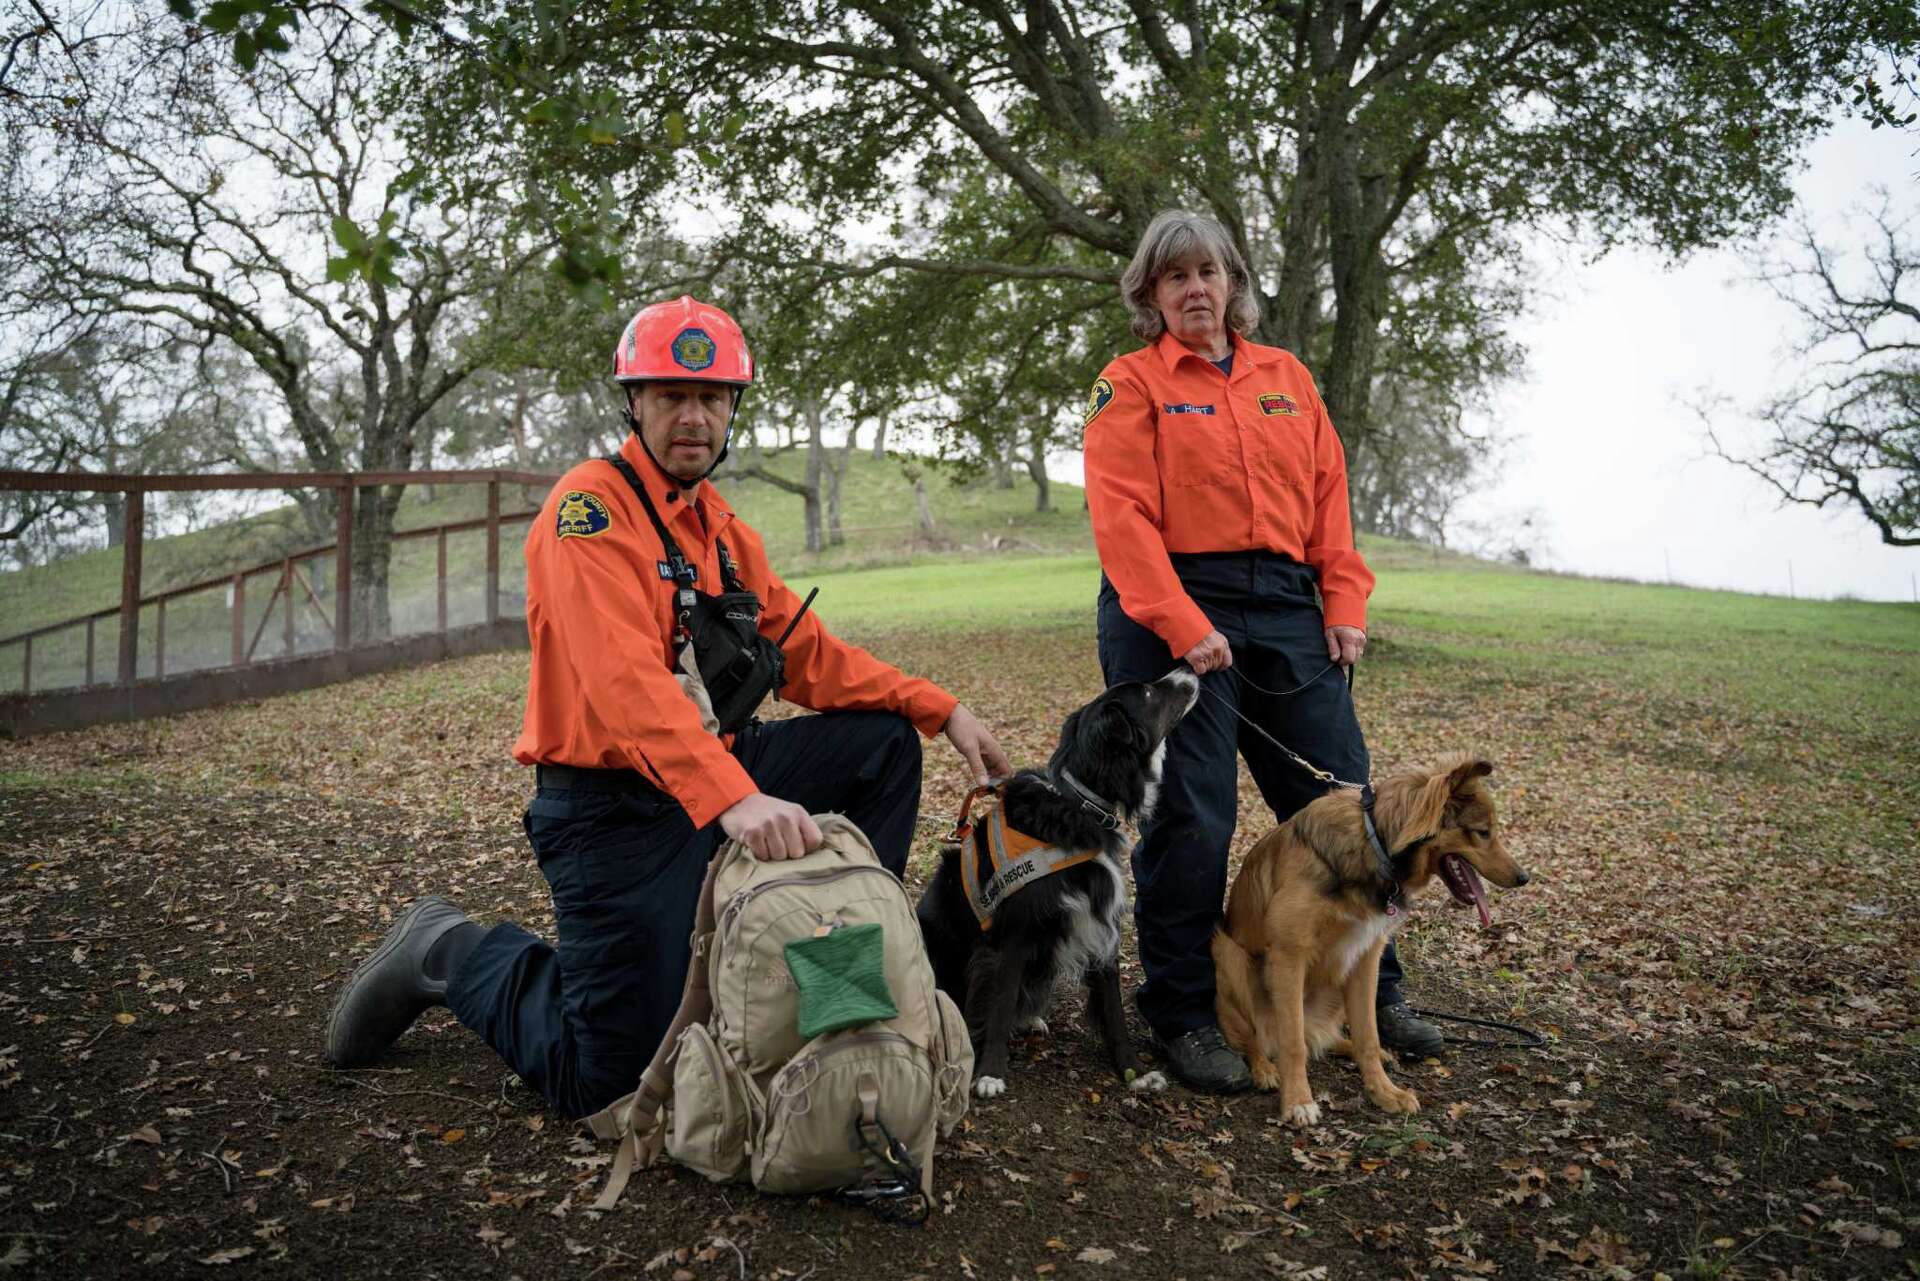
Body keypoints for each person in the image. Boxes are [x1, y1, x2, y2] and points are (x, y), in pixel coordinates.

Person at [325, 295, 1011, 1118]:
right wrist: (736, 797)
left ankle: (833, 977)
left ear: (732, 411)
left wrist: (945, 710)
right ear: (634, 402)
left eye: (713, 398)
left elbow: (810, 655)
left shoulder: (723, 533)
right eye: (672, 396)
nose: (694, 417)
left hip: (715, 778)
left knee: (885, 746)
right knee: (608, 1080)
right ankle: (447, 949)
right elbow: (624, 688)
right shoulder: (588, 512)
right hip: (609, 810)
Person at [1083, 211, 1444, 1094]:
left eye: (1209, 271)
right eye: (1176, 278)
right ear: (1151, 296)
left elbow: (1329, 498)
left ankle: (1376, 990)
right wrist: (1178, 619)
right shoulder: (1127, 385)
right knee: (1195, 814)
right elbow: (1120, 516)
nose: (1196, 288)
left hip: (1285, 603)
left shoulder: (1288, 377)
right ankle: (1183, 1011)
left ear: (1233, 282)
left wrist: (1344, 600)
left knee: (1347, 808)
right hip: (1169, 602)